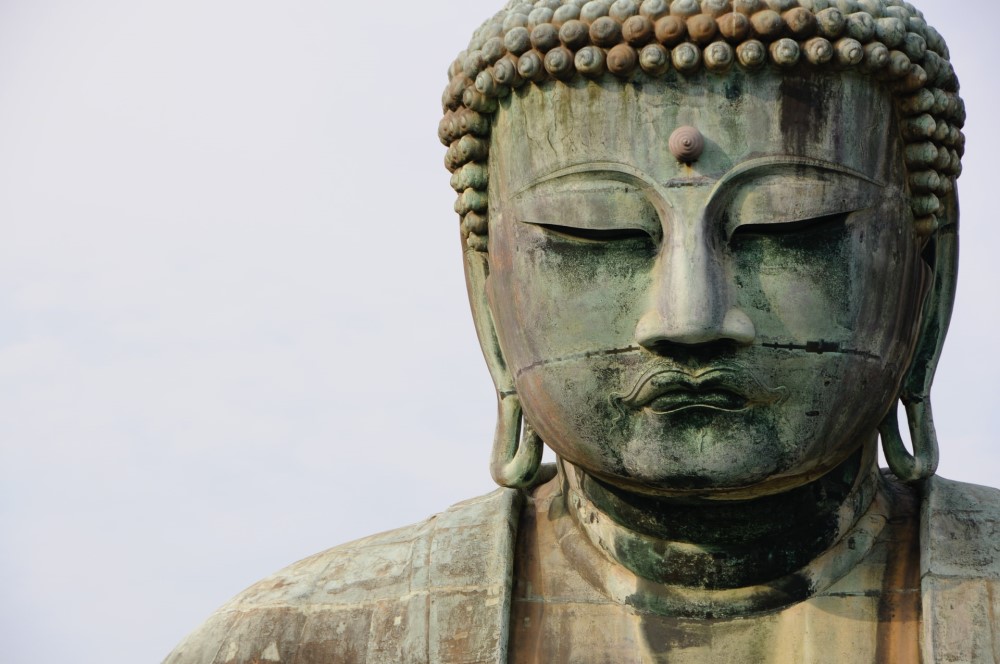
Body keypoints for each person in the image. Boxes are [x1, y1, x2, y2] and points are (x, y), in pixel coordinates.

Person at [165, 0, 999, 661]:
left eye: (790, 226)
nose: (689, 320)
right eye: (594, 234)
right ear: (488, 294)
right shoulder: (301, 645)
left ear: (926, 276)